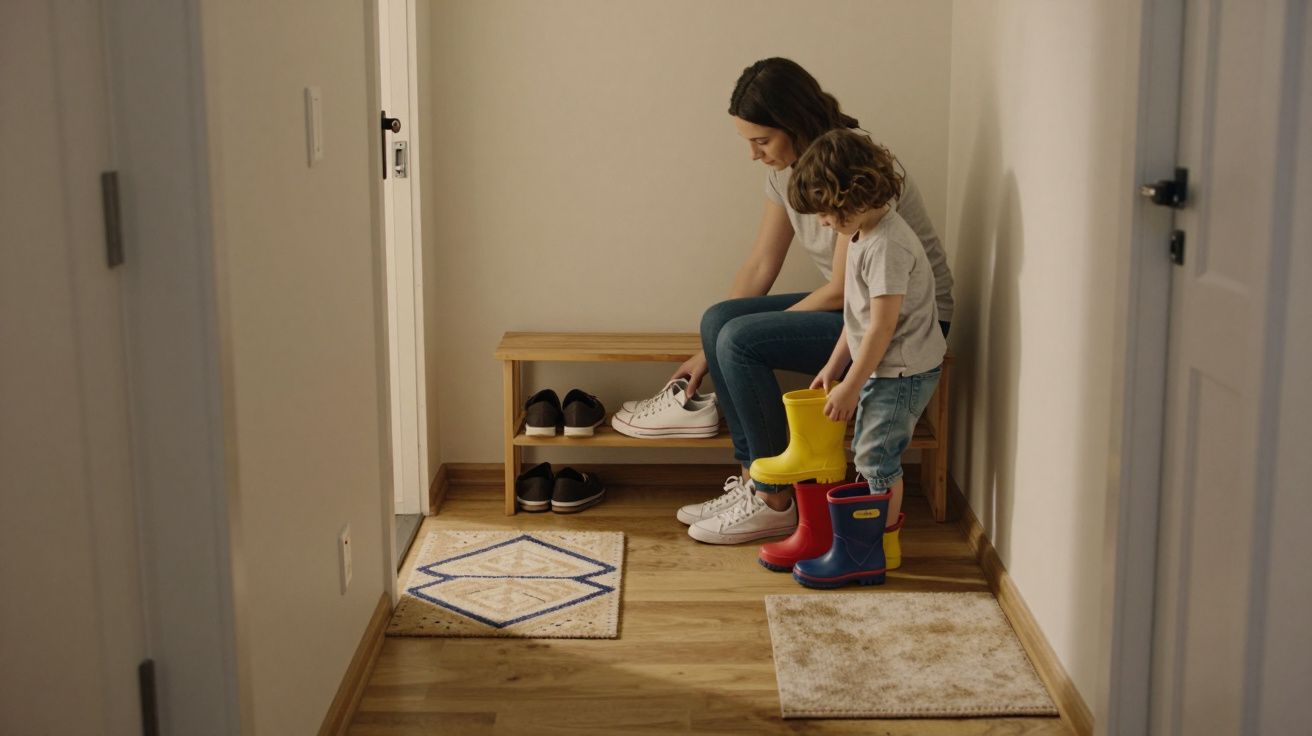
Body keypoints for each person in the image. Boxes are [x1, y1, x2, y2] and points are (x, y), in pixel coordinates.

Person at [678, 58, 953, 545]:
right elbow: (763, 263)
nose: (753, 154)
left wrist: (733, 339)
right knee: (719, 319)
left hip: (902, 318)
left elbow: (844, 288)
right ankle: (753, 481)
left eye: (762, 141)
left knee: (739, 339)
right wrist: (709, 344)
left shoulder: (846, 167)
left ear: (795, 124)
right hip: (855, 310)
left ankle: (774, 498)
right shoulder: (787, 173)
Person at [792, 129, 946, 550]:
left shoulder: (887, 247)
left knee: (876, 460)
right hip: (885, 363)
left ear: (852, 195)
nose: (822, 223)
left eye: (826, 213)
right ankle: (865, 542)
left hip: (901, 370)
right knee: (868, 453)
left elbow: (881, 327)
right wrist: (834, 366)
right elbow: (858, 318)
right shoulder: (861, 234)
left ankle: (873, 550)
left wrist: (850, 387)